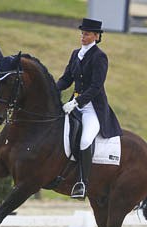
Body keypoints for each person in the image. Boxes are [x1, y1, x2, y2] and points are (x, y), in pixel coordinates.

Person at [57, 18, 122, 200]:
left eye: (86, 34)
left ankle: (82, 183)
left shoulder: (99, 57)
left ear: (96, 36)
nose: (82, 36)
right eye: (82, 33)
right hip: (75, 105)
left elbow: (95, 87)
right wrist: (51, 89)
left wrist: (77, 103)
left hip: (93, 108)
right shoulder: (75, 54)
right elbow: (66, 79)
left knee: (85, 140)